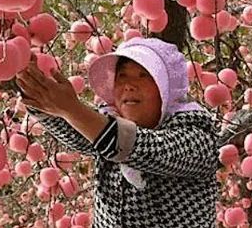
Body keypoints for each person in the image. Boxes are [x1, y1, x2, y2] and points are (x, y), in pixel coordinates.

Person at [16, 36, 220, 228]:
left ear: (164, 88)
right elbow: (78, 131)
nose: (129, 85)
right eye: (122, 75)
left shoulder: (197, 138)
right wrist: (30, 84)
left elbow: (147, 148)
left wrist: (72, 108)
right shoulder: (106, 127)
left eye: (144, 75)